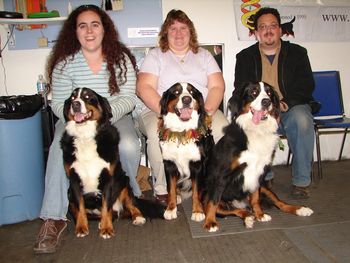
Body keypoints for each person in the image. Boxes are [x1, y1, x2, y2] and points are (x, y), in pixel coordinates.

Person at [34, 4, 141, 253]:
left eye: (95, 24)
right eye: (83, 25)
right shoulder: (64, 64)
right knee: (57, 149)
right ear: (75, 32)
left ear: (105, 29)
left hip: (113, 117)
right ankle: (53, 217)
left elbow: (128, 98)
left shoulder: (120, 59)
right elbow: (58, 103)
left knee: (128, 143)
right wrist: (78, 117)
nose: (89, 31)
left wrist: (102, 117)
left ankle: (131, 198)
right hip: (75, 122)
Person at [136, 9, 228, 204]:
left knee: (221, 129)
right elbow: (144, 87)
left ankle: (213, 183)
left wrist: (207, 112)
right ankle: (162, 188)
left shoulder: (204, 55)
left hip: (200, 110)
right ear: (165, 33)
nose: (178, 34)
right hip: (160, 110)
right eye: (173, 29)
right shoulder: (155, 56)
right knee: (156, 133)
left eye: (183, 28)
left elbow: (217, 86)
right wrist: (165, 114)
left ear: (191, 32)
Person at [234, 7, 315, 198]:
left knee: (302, 120)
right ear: (255, 33)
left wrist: (282, 106)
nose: (268, 30)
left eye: (272, 26)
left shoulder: (298, 53)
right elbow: (240, 89)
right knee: (249, 123)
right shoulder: (244, 57)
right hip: (258, 111)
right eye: (262, 27)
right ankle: (264, 177)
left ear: (280, 29)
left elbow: (306, 85)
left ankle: (301, 181)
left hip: (290, 107)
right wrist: (253, 112)